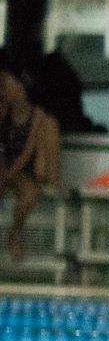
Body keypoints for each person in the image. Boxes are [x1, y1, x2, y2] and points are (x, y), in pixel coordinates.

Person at [0, 57, 60, 264]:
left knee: (30, 195)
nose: (3, 89)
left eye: (6, 84)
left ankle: (15, 233)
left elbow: (27, 152)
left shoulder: (39, 118)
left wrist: (11, 173)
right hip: (3, 167)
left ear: (20, 86)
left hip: (18, 171)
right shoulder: (3, 111)